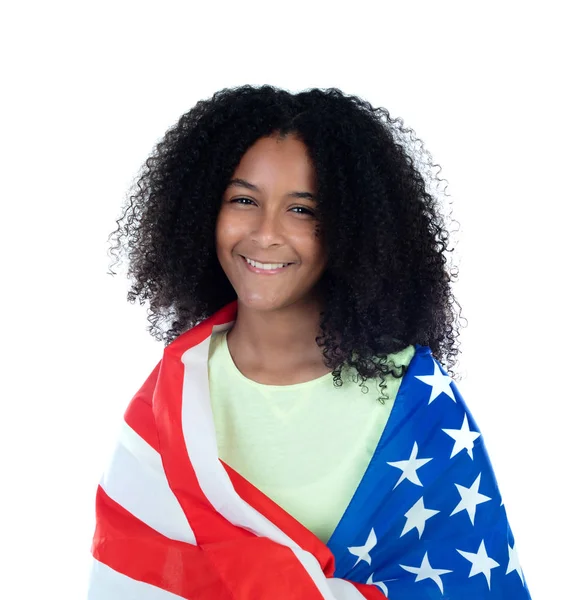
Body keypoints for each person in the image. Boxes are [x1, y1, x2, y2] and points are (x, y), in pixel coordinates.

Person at [87, 85, 531, 599]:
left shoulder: (413, 401)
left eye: (302, 210)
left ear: (350, 229)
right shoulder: (171, 401)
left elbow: (466, 581)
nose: (266, 233)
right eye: (244, 200)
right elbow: (133, 572)